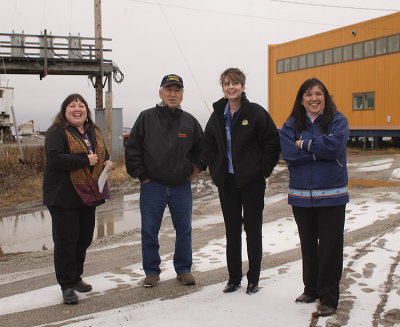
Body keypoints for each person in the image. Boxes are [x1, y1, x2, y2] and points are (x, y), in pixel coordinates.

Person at [199, 68, 281, 295]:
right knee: (232, 231)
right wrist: (215, 170)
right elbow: (208, 145)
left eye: (235, 83)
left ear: (243, 87)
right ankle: (233, 278)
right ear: (223, 88)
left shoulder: (255, 113)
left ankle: (253, 278)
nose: (230, 87)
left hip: (252, 182)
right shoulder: (217, 114)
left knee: (253, 230)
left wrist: (262, 171)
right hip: (227, 182)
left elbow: (272, 143)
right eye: (226, 84)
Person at [125, 74, 203, 288]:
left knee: (184, 230)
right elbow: (132, 150)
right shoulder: (146, 117)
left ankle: (184, 269)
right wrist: (143, 176)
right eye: (168, 90)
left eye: (177, 90)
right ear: (161, 93)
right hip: (153, 186)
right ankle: (151, 271)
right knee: (150, 230)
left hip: (181, 187)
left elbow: (203, 150)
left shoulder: (189, 121)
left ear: (182, 95)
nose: (173, 94)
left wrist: (195, 169)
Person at [279, 78, 349, 316]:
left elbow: (335, 148)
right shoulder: (291, 125)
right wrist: (319, 149)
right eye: (308, 94)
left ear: (326, 97)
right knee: (308, 246)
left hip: (332, 195)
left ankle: (329, 297)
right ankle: (311, 288)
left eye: (319, 94)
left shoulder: (337, 120)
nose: (314, 98)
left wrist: (305, 145)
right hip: (300, 196)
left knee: (330, 247)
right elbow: (290, 154)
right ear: (301, 100)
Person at [43, 94, 112, 305]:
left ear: (86, 111)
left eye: (81, 105)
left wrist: (108, 162)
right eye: (72, 106)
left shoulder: (93, 131)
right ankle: (66, 286)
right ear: (65, 111)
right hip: (63, 196)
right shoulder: (57, 132)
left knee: (83, 239)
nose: (77, 109)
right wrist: (84, 159)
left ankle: (76, 277)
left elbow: (102, 152)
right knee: (66, 241)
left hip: (88, 193)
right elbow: (55, 159)